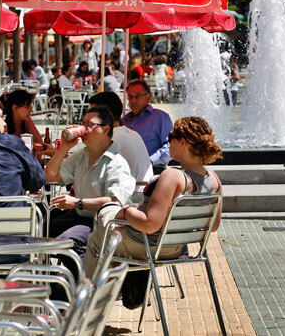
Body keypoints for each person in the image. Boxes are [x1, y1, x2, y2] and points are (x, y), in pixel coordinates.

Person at [84, 116, 223, 278]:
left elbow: (150, 225)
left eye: (171, 137)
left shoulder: (173, 176)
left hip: (149, 246)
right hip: (179, 247)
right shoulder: (214, 179)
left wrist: (127, 211)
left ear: (183, 143)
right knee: (111, 233)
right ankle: (127, 288)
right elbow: (213, 226)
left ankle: (88, 296)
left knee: (103, 223)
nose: (168, 141)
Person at [44, 106, 134, 259]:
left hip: (103, 223)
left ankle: (87, 280)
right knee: (41, 228)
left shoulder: (116, 163)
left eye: (89, 124)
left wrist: (78, 202)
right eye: (82, 123)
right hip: (81, 216)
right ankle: (53, 279)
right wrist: (64, 148)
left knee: (66, 243)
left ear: (105, 129)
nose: (83, 129)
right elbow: (49, 177)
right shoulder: (82, 155)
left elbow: (115, 201)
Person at [88, 91, 152, 190]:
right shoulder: (132, 133)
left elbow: (90, 172)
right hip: (143, 191)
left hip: (128, 196)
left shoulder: (109, 138)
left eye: (91, 114)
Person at [122, 79, 173, 174]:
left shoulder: (160, 117)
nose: (133, 101)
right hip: (126, 172)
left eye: (137, 96)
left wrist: (149, 161)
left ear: (148, 97)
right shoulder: (124, 121)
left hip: (152, 170)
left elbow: (170, 147)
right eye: (130, 96)